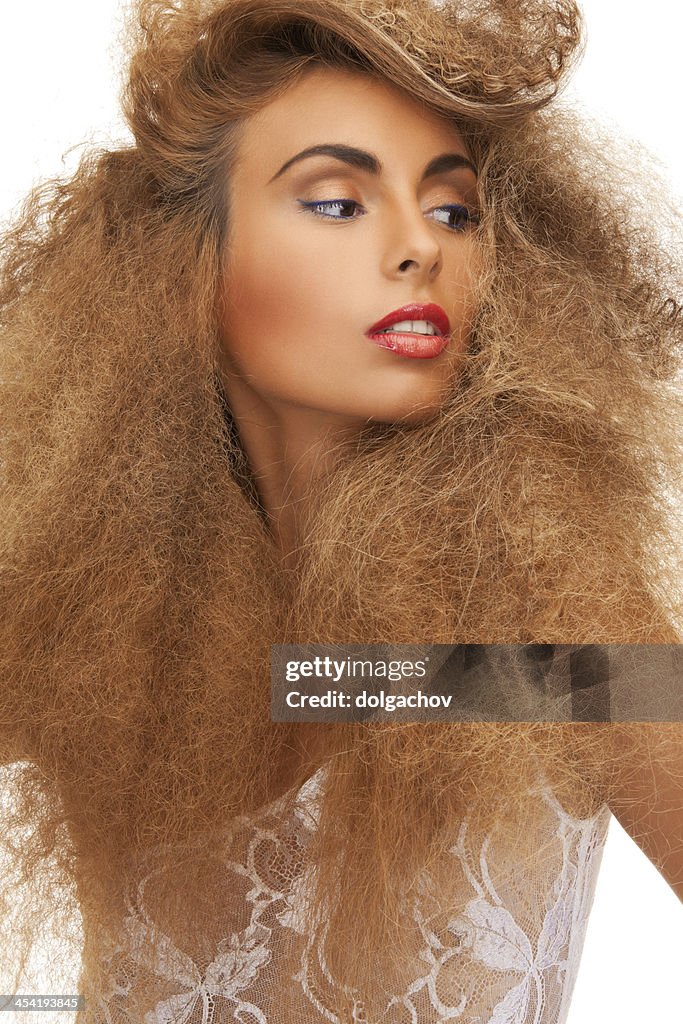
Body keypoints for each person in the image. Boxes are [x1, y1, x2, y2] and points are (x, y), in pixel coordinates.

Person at [0, 0, 681, 1020]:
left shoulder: (549, 613)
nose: (421, 249)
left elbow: (325, 685)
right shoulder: (94, 609)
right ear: (178, 266)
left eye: (453, 209)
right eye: (335, 201)